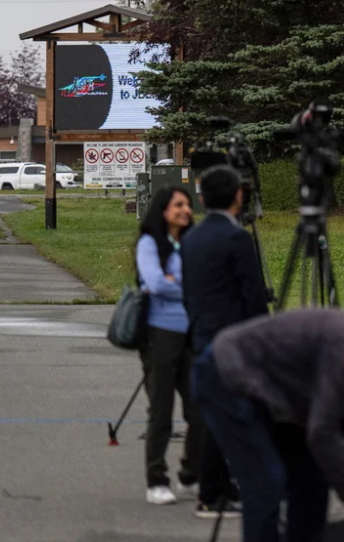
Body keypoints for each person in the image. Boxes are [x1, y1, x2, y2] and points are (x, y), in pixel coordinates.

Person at [192, 307, 344, 542]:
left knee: (311, 483)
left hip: (278, 393)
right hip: (227, 372)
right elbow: (322, 432)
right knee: (266, 481)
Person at [183, 165, 271, 517]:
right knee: (228, 418)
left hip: (202, 333)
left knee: (213, 414)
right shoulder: (237, 239)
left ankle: (219, 484)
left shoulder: (192, 238)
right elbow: (253, 294)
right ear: (238, 195)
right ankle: (211, 492)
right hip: (233, 338)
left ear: (203, 199)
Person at [135, 185, 202, 506]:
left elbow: (200, 282)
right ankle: (156, 479)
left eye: (188, 205)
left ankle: (191, 473)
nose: (186, 210)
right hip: (159, 335)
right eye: (178, 205)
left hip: (192, 335)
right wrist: (184, 286)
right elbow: (155, 283)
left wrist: (176, 283)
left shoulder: (191, 242)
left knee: (200, 408)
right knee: (161, 410)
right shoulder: (149, 243)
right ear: (163, 210)